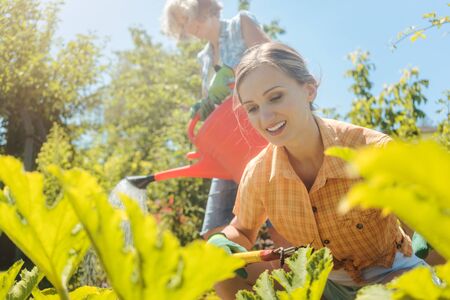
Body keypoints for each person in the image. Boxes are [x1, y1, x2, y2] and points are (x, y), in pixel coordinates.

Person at [208, 42, 430, 300]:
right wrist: (221, 242)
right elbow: (243, 230)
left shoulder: (369, 149)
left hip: (393, 278)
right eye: (252, 108)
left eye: (275, 97)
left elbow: (424, 210)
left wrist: (431, 230)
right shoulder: (258, 174)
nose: (266, 117)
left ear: (309, 89)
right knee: (224, 272)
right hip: (320, 283)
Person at [160, 0, 272, 239]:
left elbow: (273, 60)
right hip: (230, 145)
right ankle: (223, 272)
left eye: (185, 18)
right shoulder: (204, 58)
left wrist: (236, 75)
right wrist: (205, 106)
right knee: (214, 226)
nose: (187, 28)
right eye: (180, 26)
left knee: (278, 207)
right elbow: (216, 106)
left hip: (263, 133)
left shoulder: (241, 23)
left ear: (202, 6)